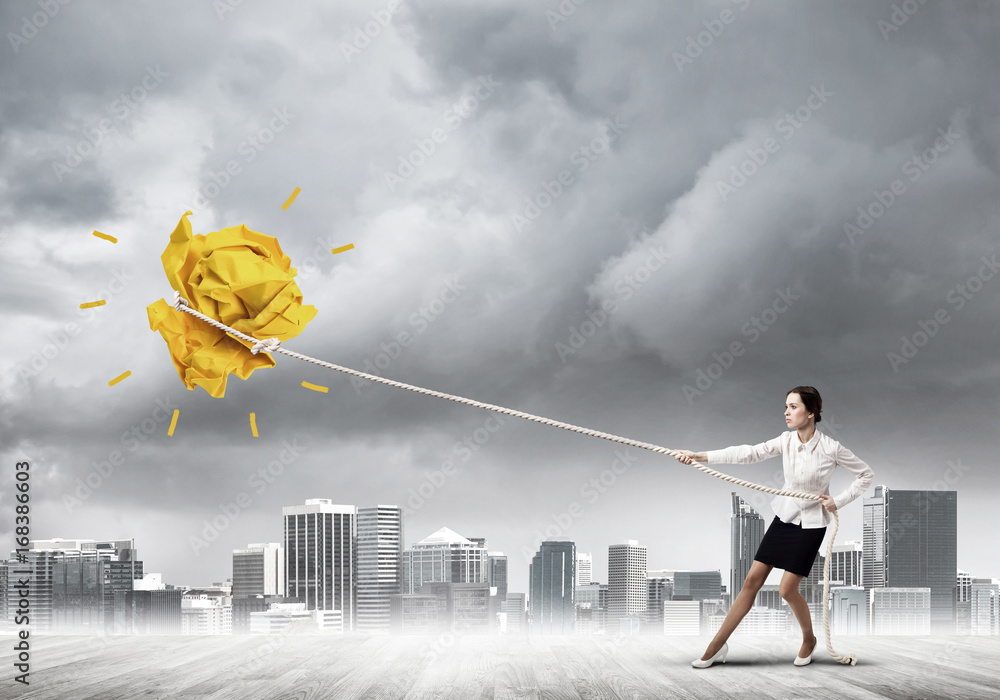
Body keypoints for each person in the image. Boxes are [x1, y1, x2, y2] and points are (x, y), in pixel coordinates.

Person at [672, 385, 873, 668]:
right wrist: (699, 455)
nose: (786, 412)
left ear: (811, 412)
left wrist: (838, 500)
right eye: (786, 406)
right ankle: (716, 646)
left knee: (787, 590)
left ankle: (809, 640)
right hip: (785, 518)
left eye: (793, 407)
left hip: (811, 526)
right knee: (750, 582)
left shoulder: (831, 448)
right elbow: (748, 453)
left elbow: (865, 474)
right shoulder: (786, 441)